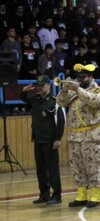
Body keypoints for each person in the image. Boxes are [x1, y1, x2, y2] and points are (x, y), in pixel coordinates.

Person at [57, 63, 100, 208]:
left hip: (91, 135)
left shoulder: (99, 90)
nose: (79, 80)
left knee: (92, 166)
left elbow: (95, 102)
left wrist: (77, 89)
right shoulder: (73, 91)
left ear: (90, 77)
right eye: (78, 77)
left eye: (83, 77)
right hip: (74, 136)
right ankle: (81, 195)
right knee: (77, 167)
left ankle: (95, 196)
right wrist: (65, 90)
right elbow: (60, 103)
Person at [20, 75, 65, 205]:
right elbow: (23, 98)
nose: (39, 88)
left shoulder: (54, 102)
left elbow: (61, 121)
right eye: (38, 85)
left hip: (50, 141)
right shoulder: (35, 99)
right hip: (38, 139)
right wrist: (24, 91)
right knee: (40, 169)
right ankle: (44, 194)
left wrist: (58, 138)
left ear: (48, 86)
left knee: (52, 169)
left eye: (42, 85)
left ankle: (56, 196)